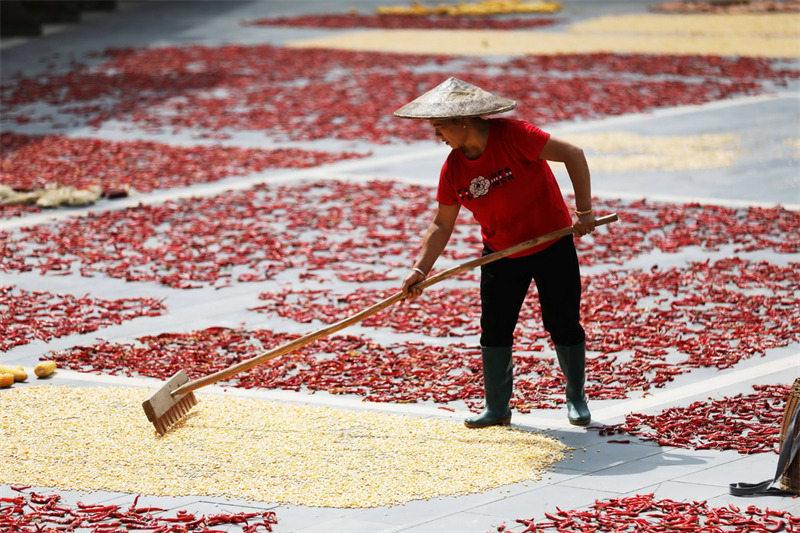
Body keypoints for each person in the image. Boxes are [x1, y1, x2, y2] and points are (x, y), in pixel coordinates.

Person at [395, 77, 596, 428]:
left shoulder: (514, 135)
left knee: (561, 322)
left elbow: (573, 154)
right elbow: (442, 224)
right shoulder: (453, 168)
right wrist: (420, 270)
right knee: (495, 329)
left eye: (440, 127)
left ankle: (576, 397)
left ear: (463, 120)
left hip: (552, 243)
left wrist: (584, 212)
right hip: (501, 254)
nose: (437, 136)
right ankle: (497, 407)